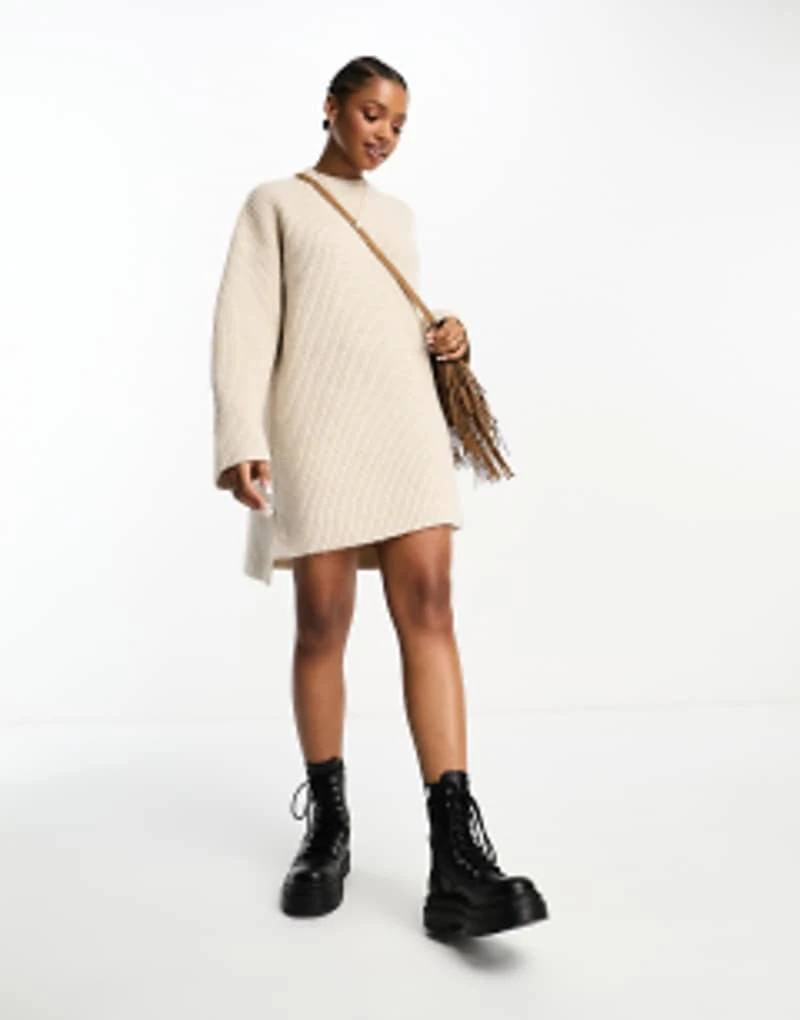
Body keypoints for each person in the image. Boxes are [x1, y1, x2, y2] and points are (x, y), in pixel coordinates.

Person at [210, 55, 548, 939]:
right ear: (330, 108)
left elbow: (381, 314)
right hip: (318, 430)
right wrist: (241, 437)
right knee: (323, 621)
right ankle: (328, 829)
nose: (384, 135)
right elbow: (243, 325)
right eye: (371, 114)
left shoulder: (397, 216)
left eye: (398, 124)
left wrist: (446, 335)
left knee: (430, 605)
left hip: (404, 428)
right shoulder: (275, 204)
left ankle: (457, 859)